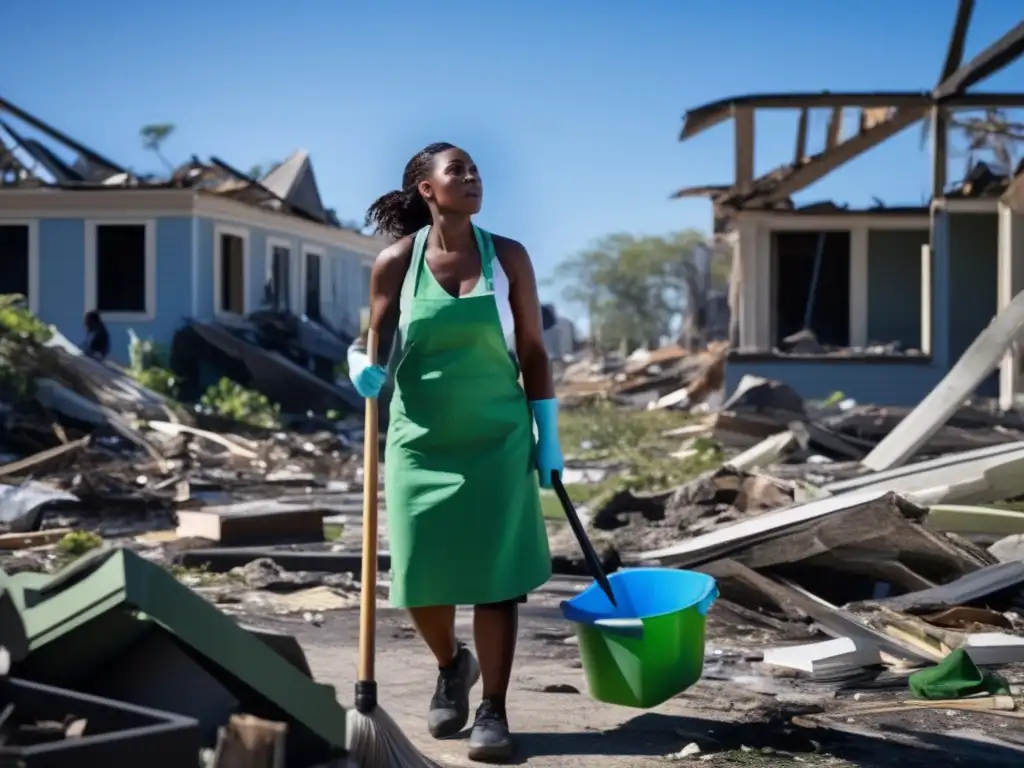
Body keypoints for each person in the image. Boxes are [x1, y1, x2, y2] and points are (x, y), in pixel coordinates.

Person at [347, 142, 563, 763]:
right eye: (457, 171)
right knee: (422, 579)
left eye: (475, 171)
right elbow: (374, 341)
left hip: (498, 439)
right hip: (420, 444)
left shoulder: (508, 257)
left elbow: (534, 352)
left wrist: (548, 436)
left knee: (498, 581)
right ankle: (453, 664)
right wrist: (360, 364)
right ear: (427, 189)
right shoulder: (394, 263)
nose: (472, 179)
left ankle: (494, 707)